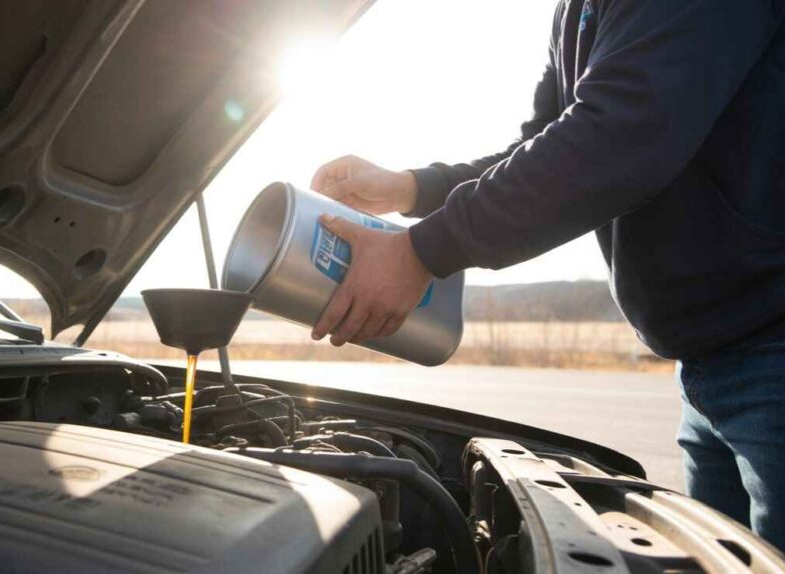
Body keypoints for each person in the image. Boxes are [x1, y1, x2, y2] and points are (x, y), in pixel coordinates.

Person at [308, 0, 784, 548]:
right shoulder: (574, 10)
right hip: (712, 360)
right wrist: (415, 188)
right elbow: (546, 144)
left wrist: (422, 252)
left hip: (771, 347)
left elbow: (615, 140)